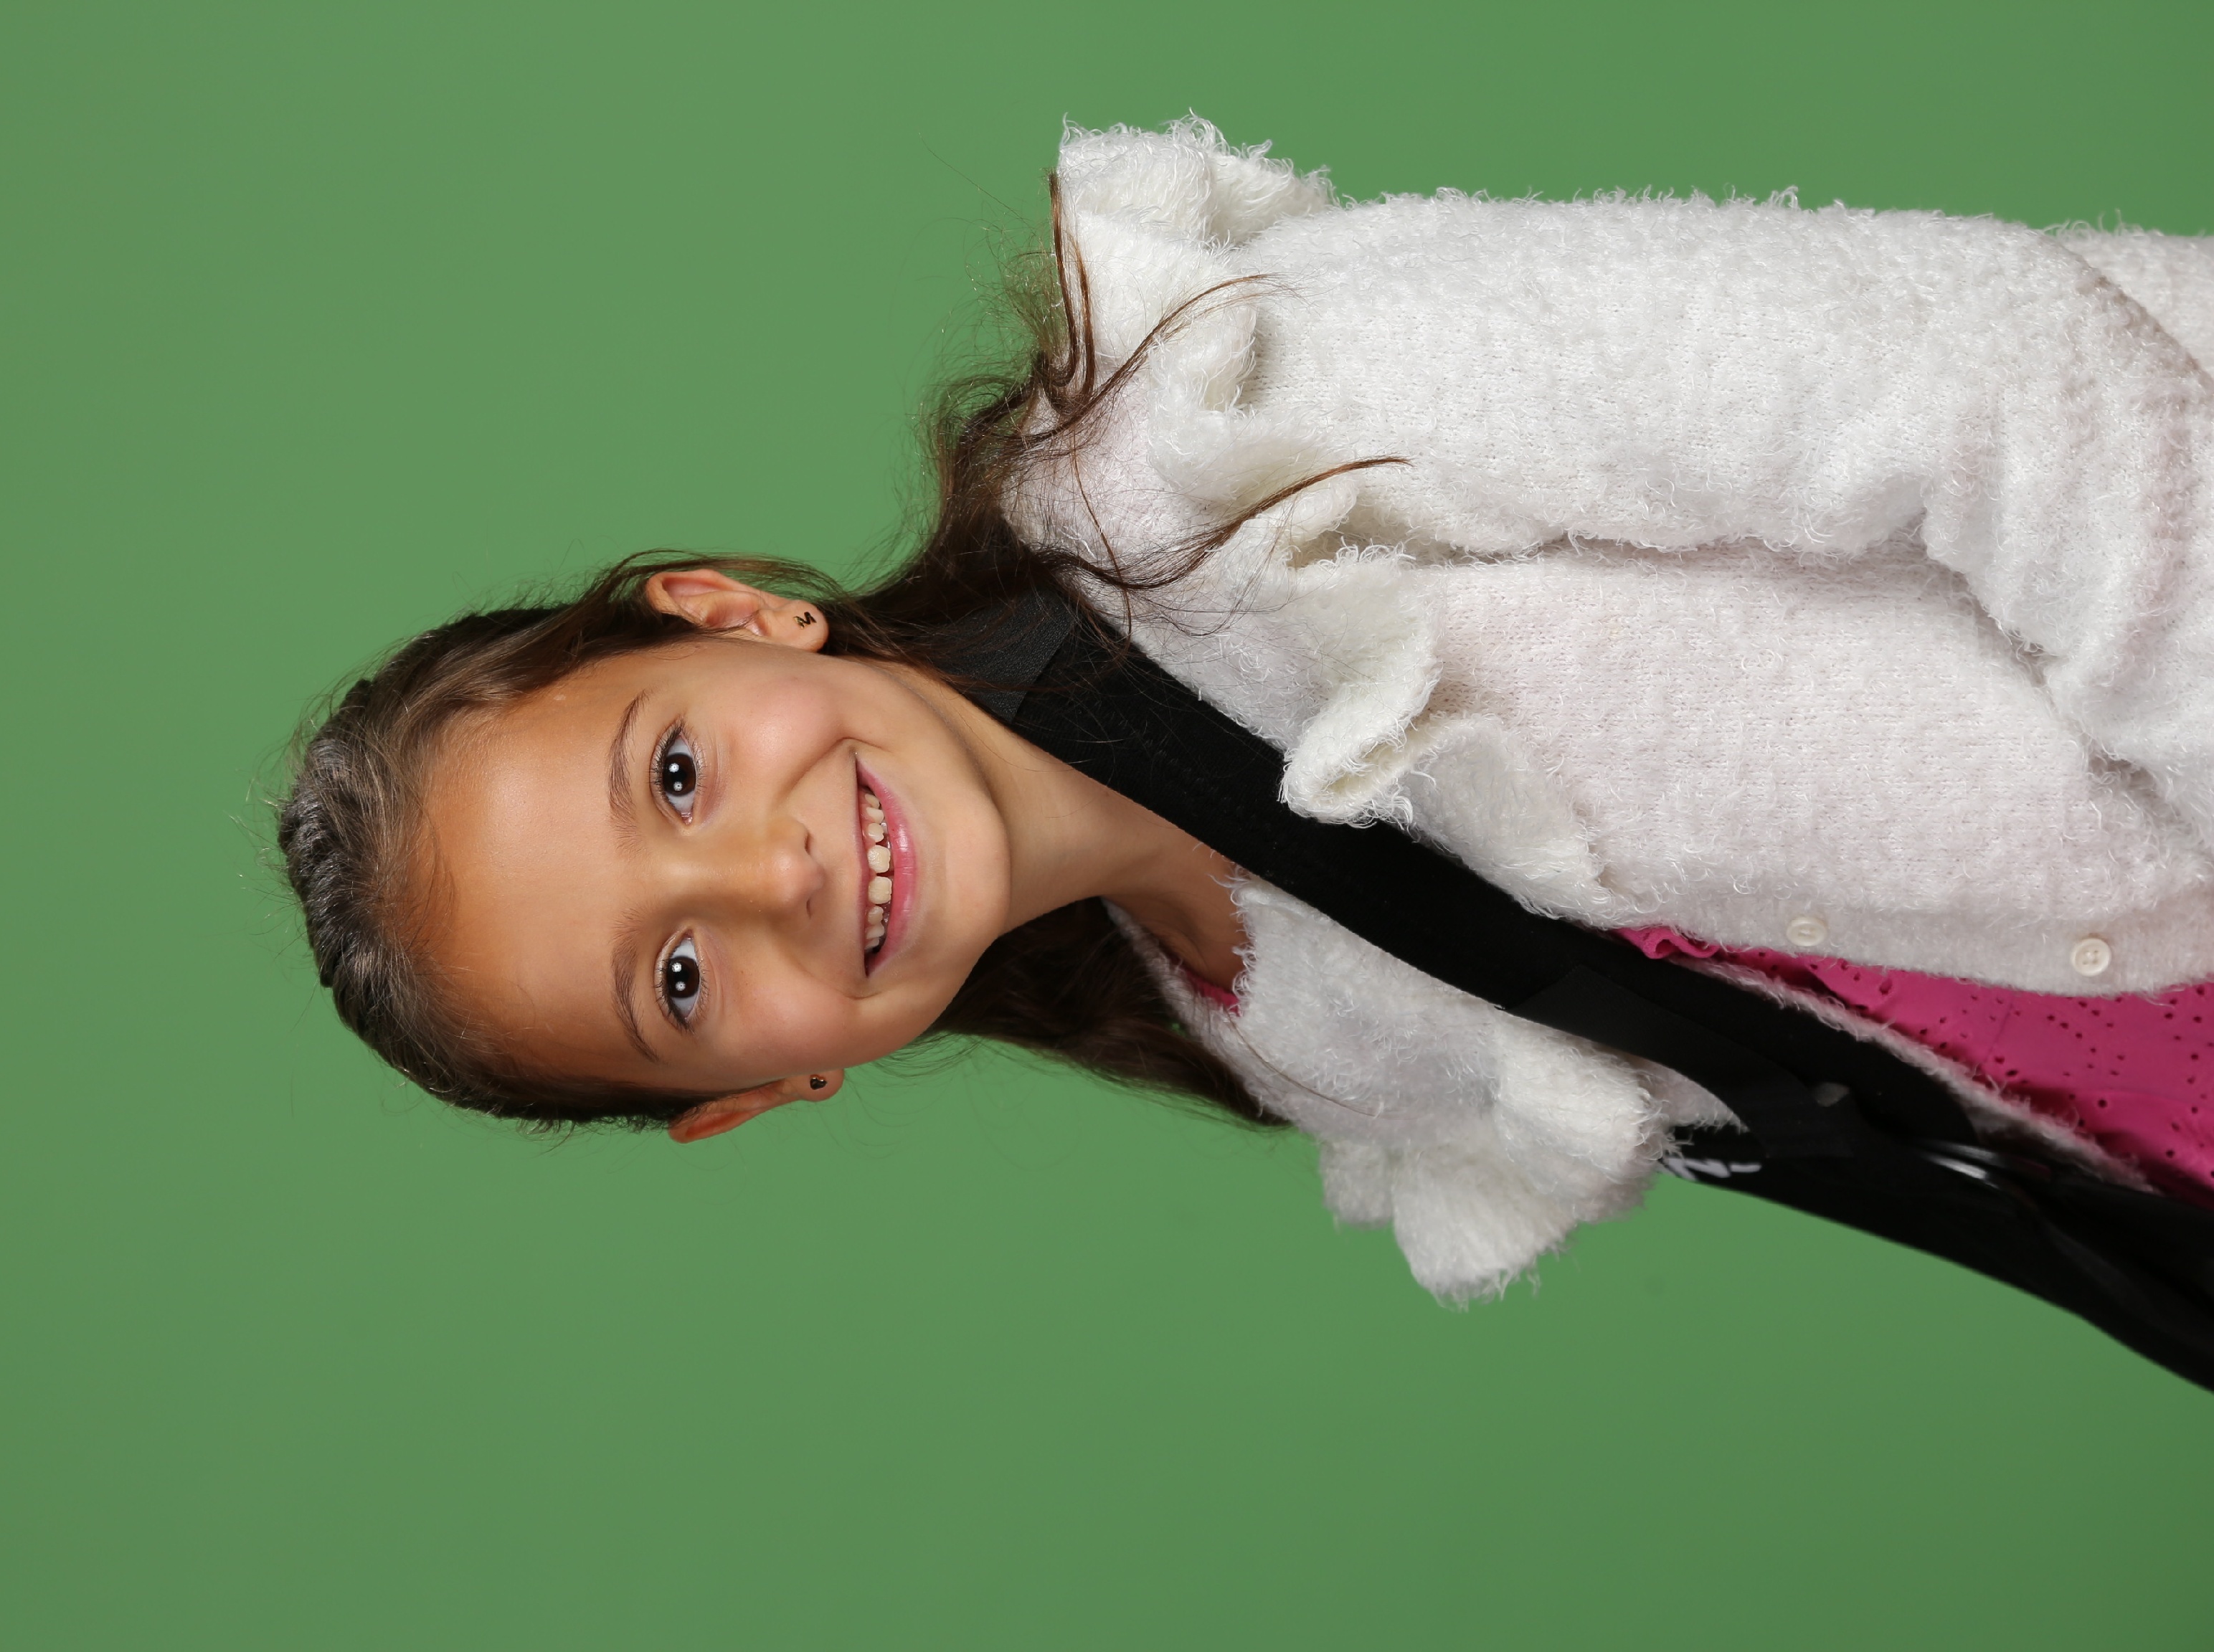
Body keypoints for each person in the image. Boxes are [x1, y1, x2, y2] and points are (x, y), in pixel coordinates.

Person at [278, 120, 2214, 1309]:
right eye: (681, 981)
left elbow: (1999, 376)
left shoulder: (1220, 428)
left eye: (677, 773)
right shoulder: (1281, 1032)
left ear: (730, 614)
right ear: (762, 1095)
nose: (765, 878)